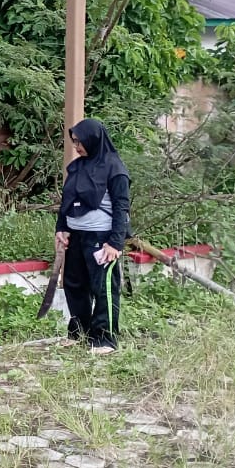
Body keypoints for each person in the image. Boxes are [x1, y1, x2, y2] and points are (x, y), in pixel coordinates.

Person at [56, 118, 130, 355]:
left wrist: (115, 242)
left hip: (101, 238)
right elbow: (66, 200)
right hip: (76, 235)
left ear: (93, 139)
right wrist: (61, 228)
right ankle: (80, 332)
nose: (76, 146)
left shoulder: (114, 168)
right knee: (74, 284)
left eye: (80, 141)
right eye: (74, 141)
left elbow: (122, 207)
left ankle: (105, 339)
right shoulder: (78, 167)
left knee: (103, 288)